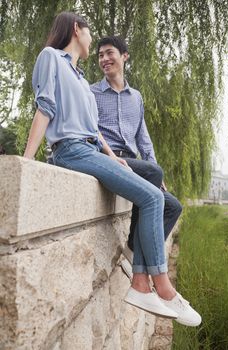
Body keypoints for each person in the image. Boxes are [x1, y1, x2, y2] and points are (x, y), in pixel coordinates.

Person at [23, 11, 201, 327]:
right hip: (69, 151)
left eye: (109, 51)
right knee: (153, 199)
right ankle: (159, 285)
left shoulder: (77, 75)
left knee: (157, 196)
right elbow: (45, 107)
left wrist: (112, 156)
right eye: (91, 36)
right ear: (77, 30)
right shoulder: (51, 57)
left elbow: (93, 128)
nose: (94, 44)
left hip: (90, 149)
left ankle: (142, 282)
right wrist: (26, 159)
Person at [91, 36, 182, 275]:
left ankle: (132, 248)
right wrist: (152, 170)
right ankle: (137, 257)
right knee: (152, 172)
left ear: (124, 56)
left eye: (109, 53)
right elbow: (91, 131)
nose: (104, 59)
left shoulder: (136, 97)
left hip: (133, 163)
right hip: (108, 159)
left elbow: (143, 138)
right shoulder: (92, 93)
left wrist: (153, 167)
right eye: (100, 55)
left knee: (173, 207)